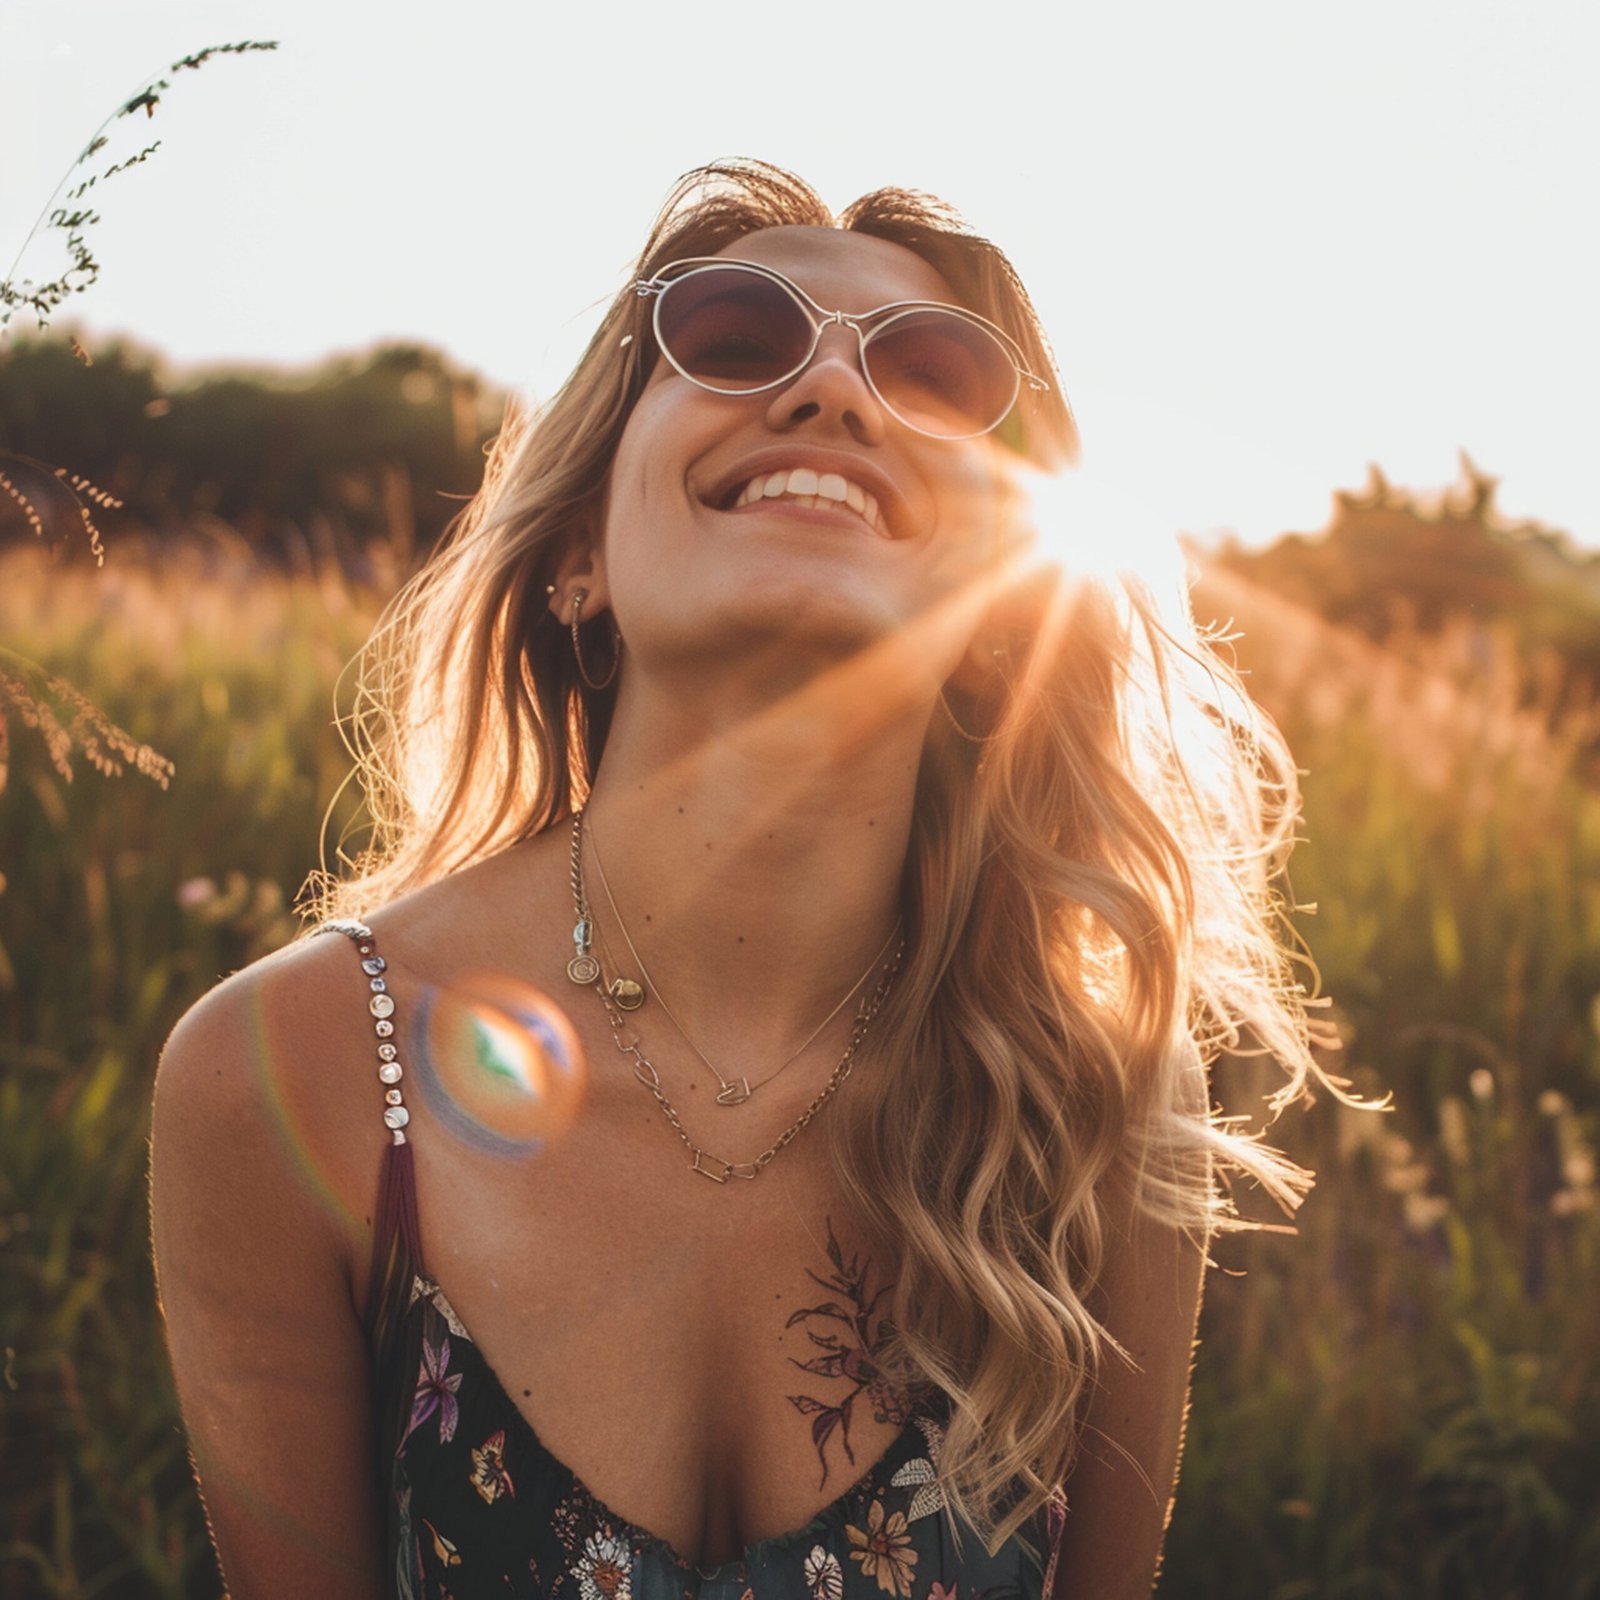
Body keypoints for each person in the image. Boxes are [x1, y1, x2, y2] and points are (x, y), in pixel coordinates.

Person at [151, 160, 1328, 1600]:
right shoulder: (297, 1071)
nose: (832, 390)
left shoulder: (1100, 1108)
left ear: (1000, 613)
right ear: (577, 554)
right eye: (733, 336)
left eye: (933, 374)